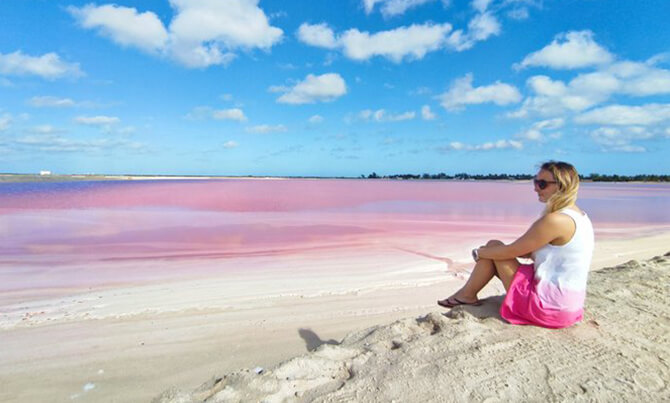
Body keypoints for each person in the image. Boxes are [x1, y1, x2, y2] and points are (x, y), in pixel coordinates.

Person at [437, 161, 594, 329]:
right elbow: (526, 251)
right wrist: (491, 251)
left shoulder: (556, 220)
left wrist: (480, 253)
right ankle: (467, 294)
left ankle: (467, 295)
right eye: (535, 182)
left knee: (494, 249)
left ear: (563, 186)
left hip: (549, 307)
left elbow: (512, 251)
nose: (536, 188)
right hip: (568, 305)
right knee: (494, 247)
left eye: (542, 184)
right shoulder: (579, 216)